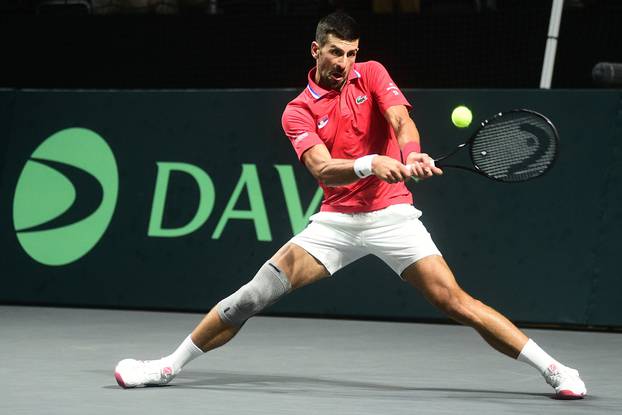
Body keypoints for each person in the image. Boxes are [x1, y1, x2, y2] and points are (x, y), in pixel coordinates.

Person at [114, 11, 586, 399]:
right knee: (253, 296)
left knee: (455, 301)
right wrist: (368, 164)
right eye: (336, 52)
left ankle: (555, 369)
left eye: (352, 53)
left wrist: (409, 155)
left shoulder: (373, 74)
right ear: (316, 50)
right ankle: (166, 367)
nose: (345, 62)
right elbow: (322, 168)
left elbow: (400, 121)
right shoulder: (298, 110)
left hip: (392, 216)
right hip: (335, 223)